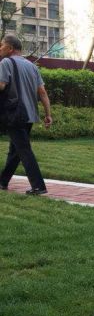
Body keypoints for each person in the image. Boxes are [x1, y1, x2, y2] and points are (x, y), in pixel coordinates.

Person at [0, 33, 52, 195]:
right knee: (16, 150)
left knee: (23, 150)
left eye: (1, 45)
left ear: (10, 48)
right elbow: (42, 92)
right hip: (29, 115)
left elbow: (1, 86)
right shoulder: (32, 66)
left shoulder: (6, 62)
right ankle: (2, 182)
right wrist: (48, 114)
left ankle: (38, 186)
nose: (0, 49)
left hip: (14, 114)